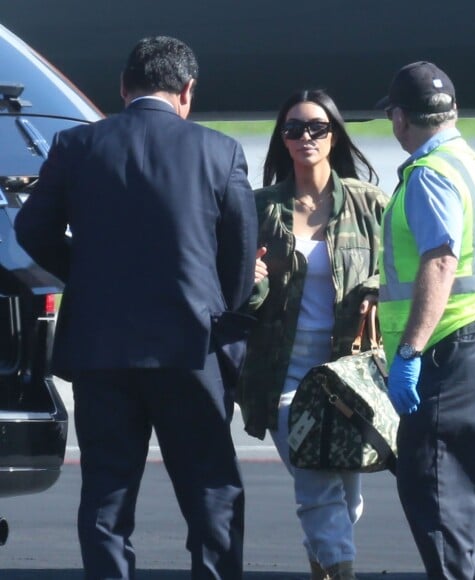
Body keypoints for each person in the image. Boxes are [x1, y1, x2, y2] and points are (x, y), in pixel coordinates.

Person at [15, 36, 258, 579]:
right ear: (187, 91)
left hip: (103, 349)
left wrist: (87, 274)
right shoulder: (220, 151)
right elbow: (240, 256)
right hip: (190, 346)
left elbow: (32, 228)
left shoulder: (76, 146)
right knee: (211, 491)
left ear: (124, 88)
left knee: (107, 496)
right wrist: (213, 304)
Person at [375, 61, 475, 579]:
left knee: (437, 494)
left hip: (451, 346)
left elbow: (441, 258)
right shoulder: (472, 164)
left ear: (398, 118)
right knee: (472, 502)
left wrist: (410, 352)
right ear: (451, 110)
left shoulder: (427, 174)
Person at [237, 88, 390, 580]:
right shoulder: (260, 208)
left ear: (334, 135)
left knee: (347, 498)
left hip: (349, 378)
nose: (305, 136)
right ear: (281, 140)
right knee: (318, 485)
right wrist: (250, 283)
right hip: (284, 378)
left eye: (317, 128)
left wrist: (376, 287)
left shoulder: (369, 204)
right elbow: (232, 291)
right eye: (294, 128)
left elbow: (403, 269)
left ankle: (322, 569)